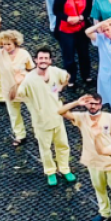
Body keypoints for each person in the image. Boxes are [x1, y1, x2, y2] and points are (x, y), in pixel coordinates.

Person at [57, 94, 111, 221]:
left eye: (96, 103)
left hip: (110, 160)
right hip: (93, 161)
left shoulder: (109, 118)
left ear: (100, 104)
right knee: (99, 188)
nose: (93, 106)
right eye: (90, 103)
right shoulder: (81, 117)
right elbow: (61, 112)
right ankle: (105, 212)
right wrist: (77, 102)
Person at [13, 47, 75, 185]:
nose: (43, 61)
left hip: (57, 118)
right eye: (40, 58)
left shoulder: (55, 71)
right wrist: (16, 84)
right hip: (41, 122)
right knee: (45, 149)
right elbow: (15, 95)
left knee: (63, 145)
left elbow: (66, 76)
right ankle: (50, 172)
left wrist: (61, 86)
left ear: (50, 60)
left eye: (46, 58)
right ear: (36, 60)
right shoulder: (29, 79)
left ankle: (64, 169)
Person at [52, 0, 93, 88]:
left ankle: (86, 76)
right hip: (66, 29)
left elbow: (88, 9)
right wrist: (67, 18)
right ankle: (71, 79)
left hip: (81, 28)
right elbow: (56, 10)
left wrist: (81, 17)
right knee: (69, 56)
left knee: (84, 54)